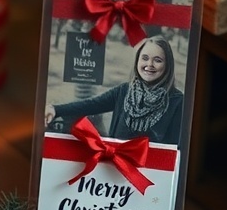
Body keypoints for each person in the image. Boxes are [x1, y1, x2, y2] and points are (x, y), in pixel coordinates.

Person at [45, 36, 183, 145]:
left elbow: (174, 149)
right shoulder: (124, 91)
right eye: (145, 58)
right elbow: (90, 104)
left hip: (151, 175)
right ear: (137, 61)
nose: (149, 65)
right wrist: (56, 109)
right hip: (114, 170)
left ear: (167, 65)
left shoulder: (177, 101)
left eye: (157, 60)